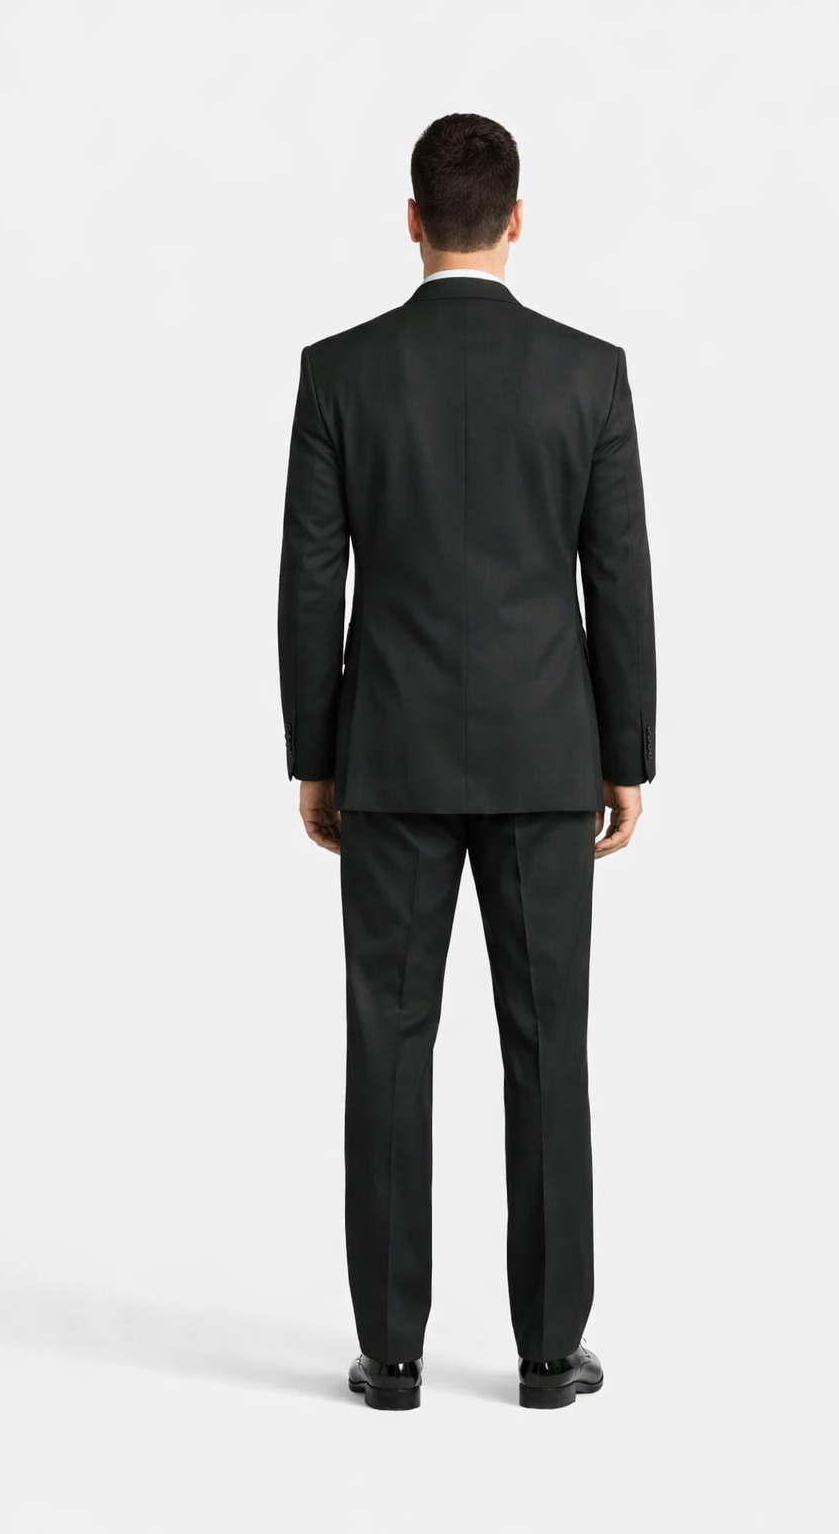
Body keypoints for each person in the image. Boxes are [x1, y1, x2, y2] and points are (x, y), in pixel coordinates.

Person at [277, 113, 656, 1411]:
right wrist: (626, 753)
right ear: (516, 221)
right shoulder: (588, 374)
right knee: (549, 1050)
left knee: (387, 1048)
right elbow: (619, 579)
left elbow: (310, 580)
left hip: (388, 756)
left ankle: (391, 1356)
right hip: (549, 757)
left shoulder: (341, 373)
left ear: (411, 220)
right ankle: (548, 1355)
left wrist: (315, 754)